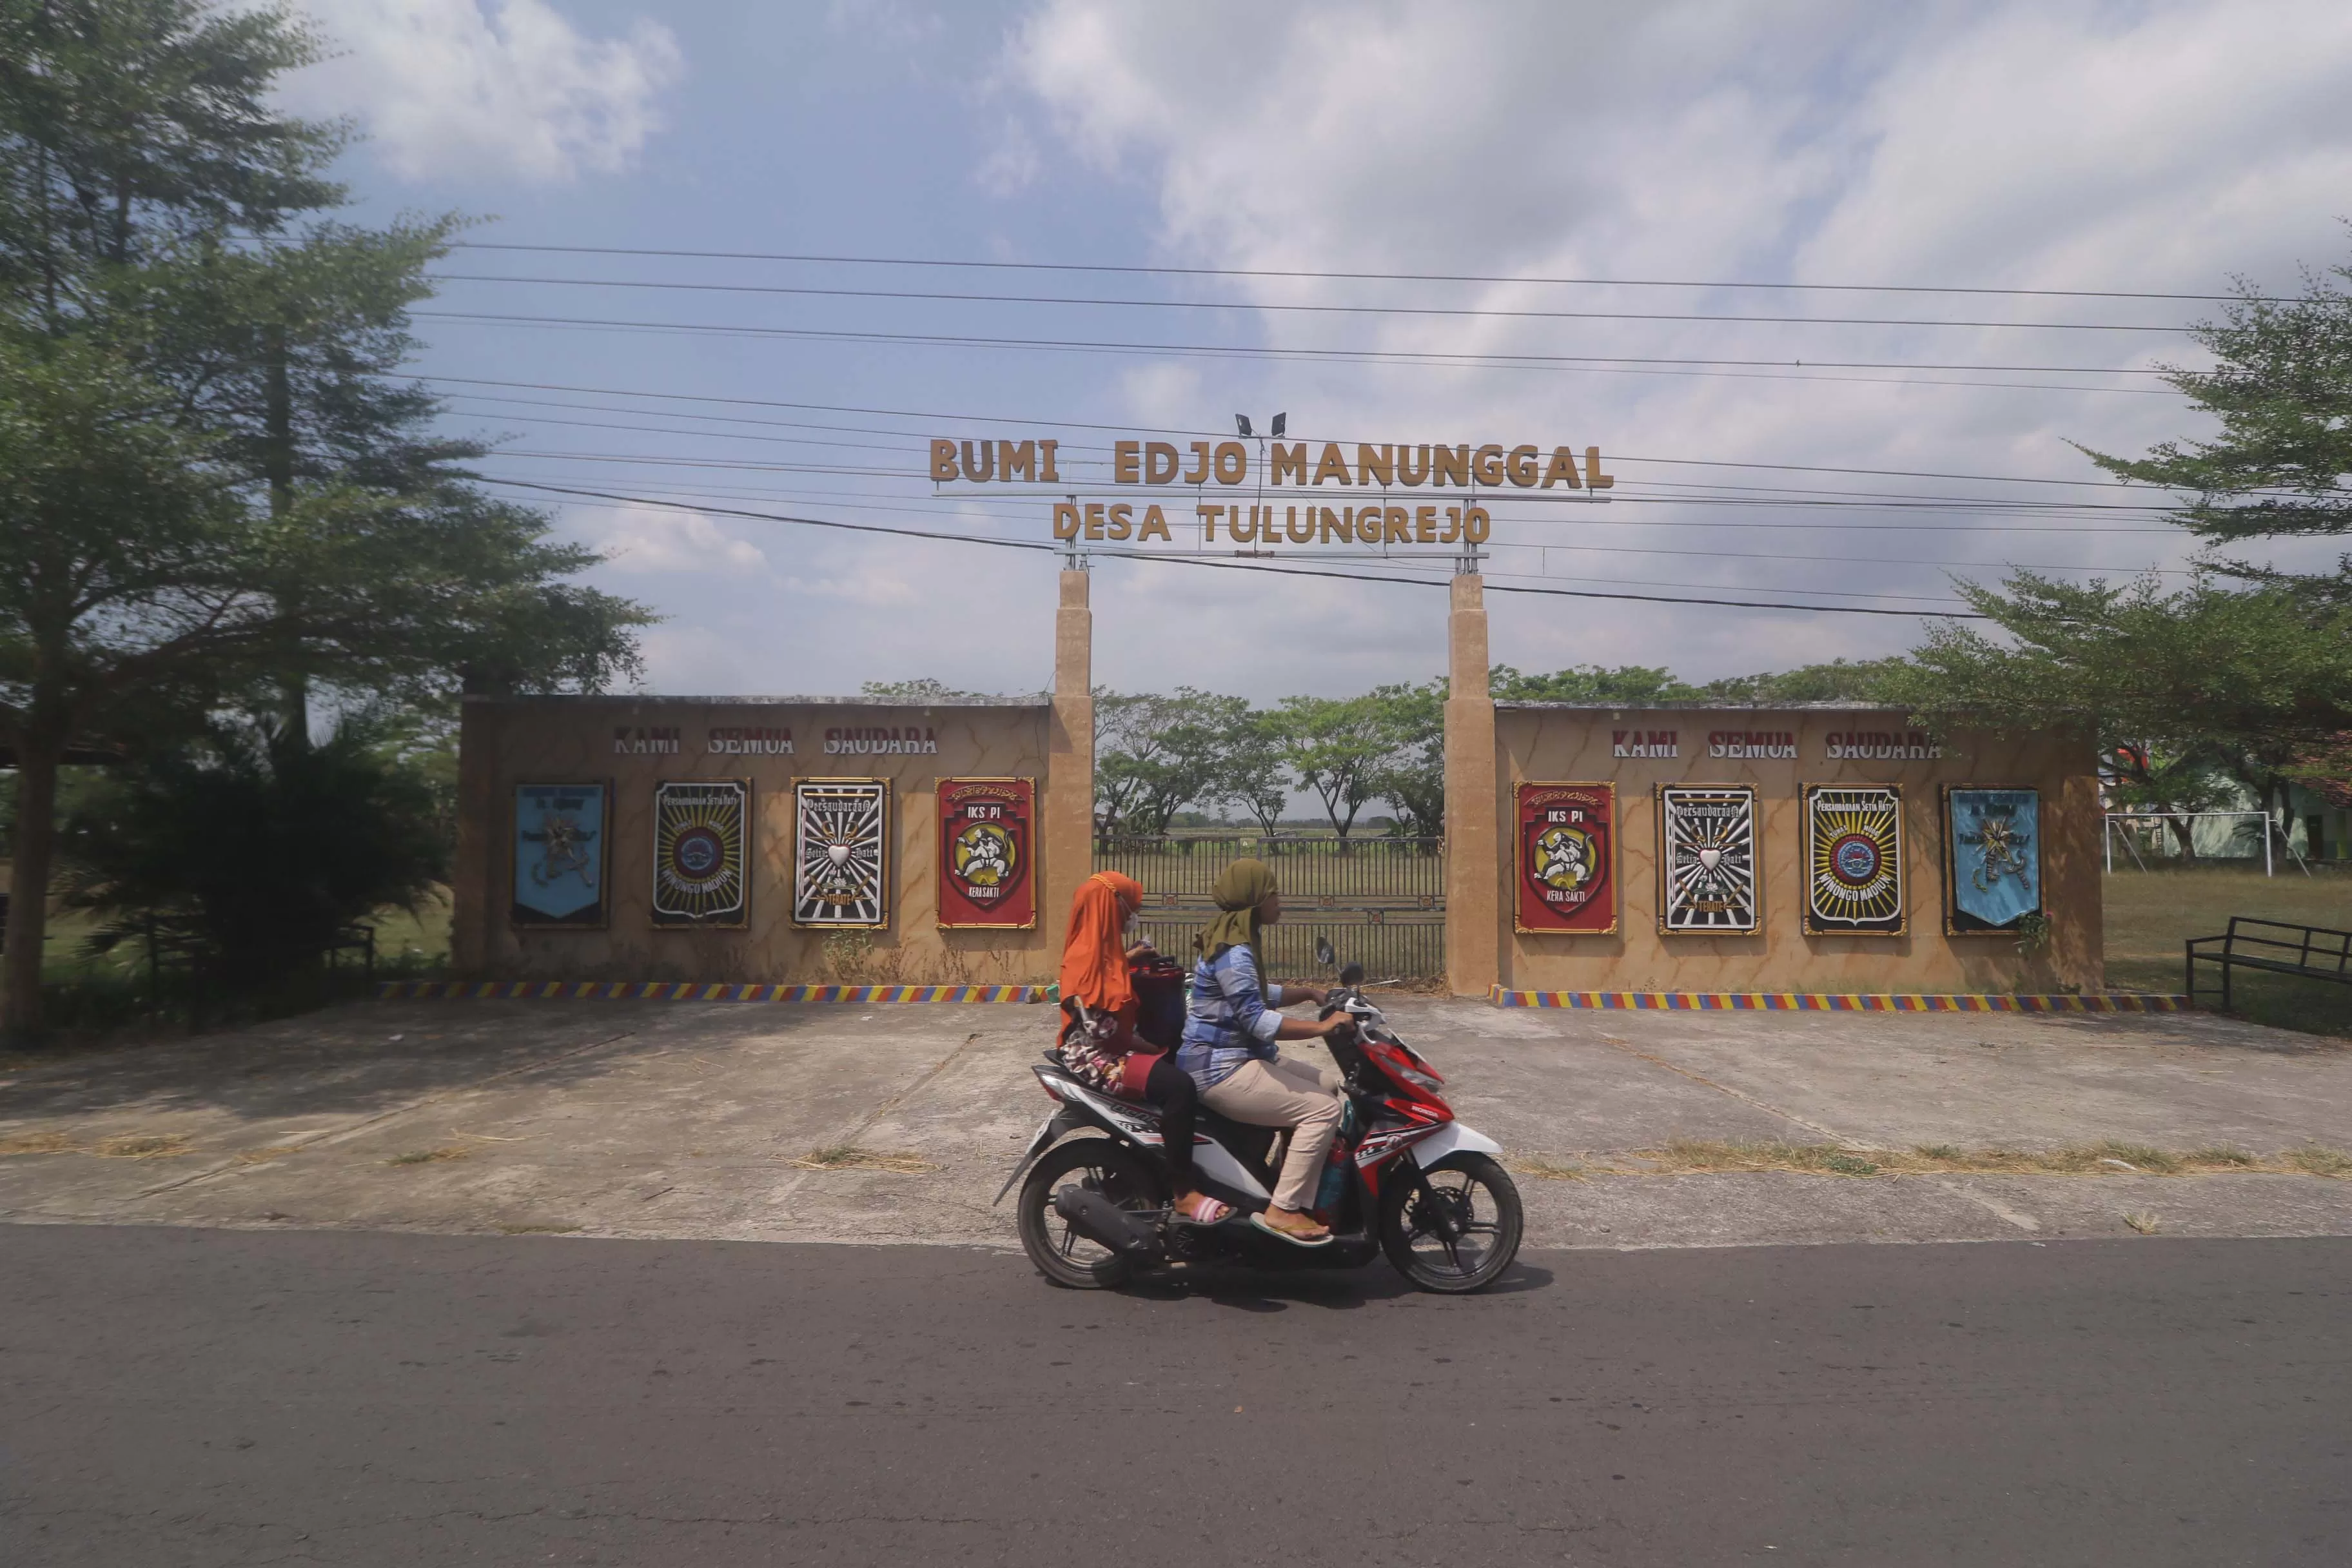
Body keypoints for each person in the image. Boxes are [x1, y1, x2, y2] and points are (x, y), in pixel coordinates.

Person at [1175, 859, 1352, 1244]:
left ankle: (1280, 1178)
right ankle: (1283, 1209)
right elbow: (1257, 1020)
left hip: (1238, 1056)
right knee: (1324, 1109)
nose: (1279, 901)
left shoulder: (1235, 941)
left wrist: (1307, 992)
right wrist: (1322, 1026)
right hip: (1219, 1067)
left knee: (1327, 1084)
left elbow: (1254, 993)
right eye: (1273, 893)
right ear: (1255, 899)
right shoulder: (1233, 951)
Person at [1056, 870, 1230, 1224]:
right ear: (1111, 908)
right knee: (1180, 1087)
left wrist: (1131, 959)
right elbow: (1107, 1033)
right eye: (1130, 908)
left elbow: (1111, 971)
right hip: (1097, 1058)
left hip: (1107, 1046)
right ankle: (1184, 1192)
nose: (1133, 916)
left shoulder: (1099, 948)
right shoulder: (1089, 961)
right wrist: (1151, 1048)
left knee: (1178, 1061)